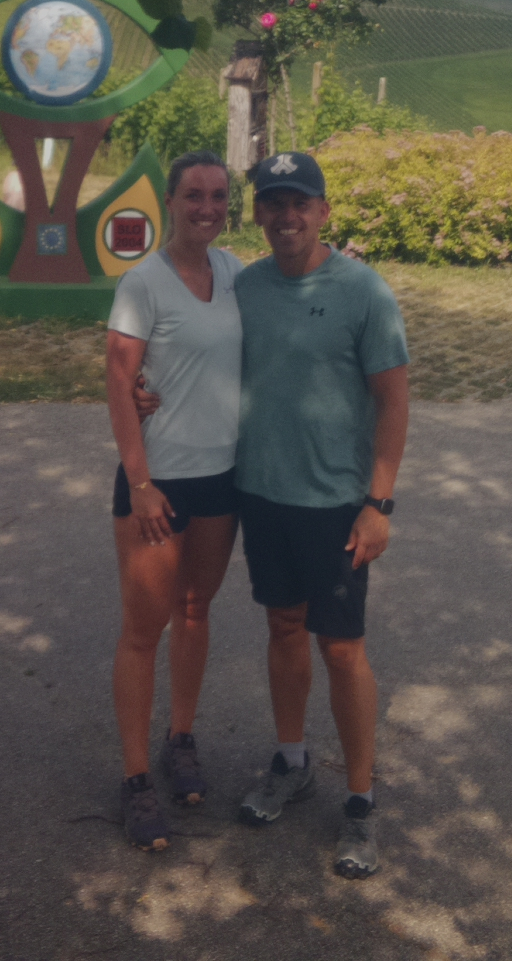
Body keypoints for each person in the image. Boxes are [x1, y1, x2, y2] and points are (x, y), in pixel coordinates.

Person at [138, 149, 408, 878]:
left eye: (300, 203)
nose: (287, 216)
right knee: (284, 628)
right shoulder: (244, 286)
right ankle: (292, 761)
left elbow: (394, 399)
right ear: (257, 212)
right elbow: (189, 346)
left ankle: (360, 802)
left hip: (337, 503)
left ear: (323, 211)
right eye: (273, 202)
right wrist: (140, 386)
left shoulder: (363, 291)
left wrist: (379, 504)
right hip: (261, 492)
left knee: (342, 648)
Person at [102, 150, 244, 852]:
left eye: (218, 195)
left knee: (195, 610)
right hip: (156, 482)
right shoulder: (143, 283)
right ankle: (135, 779)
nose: (207, 208)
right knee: (143, 629)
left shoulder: (237, 273)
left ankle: (180, 739)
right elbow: (117, 379)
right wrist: (141, 483)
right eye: (194, 195)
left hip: (222, 476)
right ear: (170, 201)